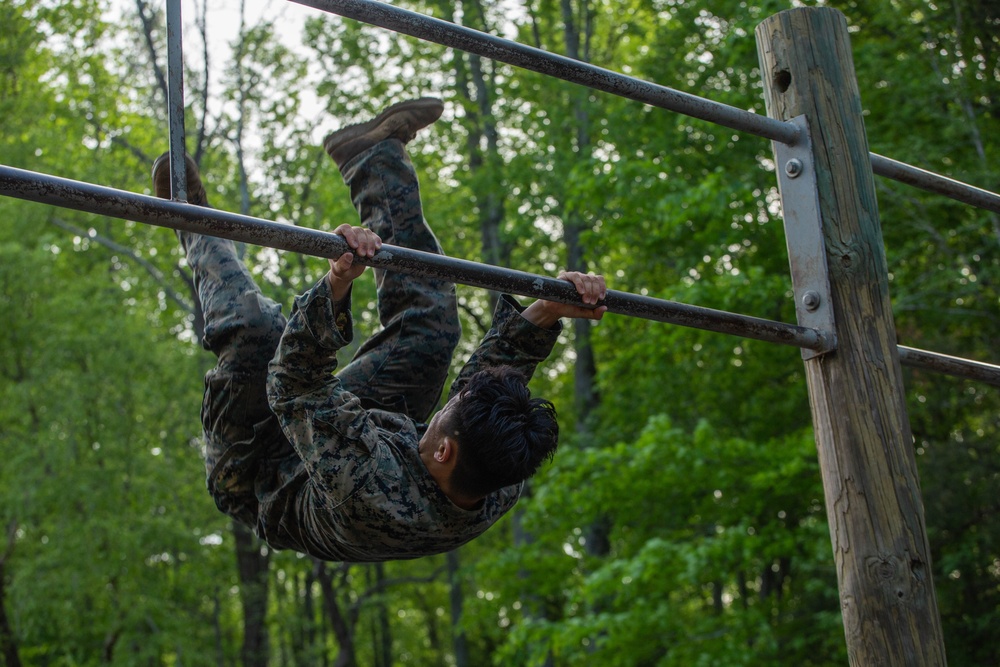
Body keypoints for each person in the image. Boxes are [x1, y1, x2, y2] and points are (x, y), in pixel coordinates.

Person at [151, 98, 607, 562]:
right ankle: (371, 157)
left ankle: (190, 216)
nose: (451, 398)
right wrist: (547, 310)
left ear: (445, 451)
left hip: (261, 467)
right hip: (368, 436)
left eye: (447, 412)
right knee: (430, 334)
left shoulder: (369, 489)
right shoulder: (499, 472)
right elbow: (481, 389)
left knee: (258, 331)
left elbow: (292, 385)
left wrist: (338, 281)